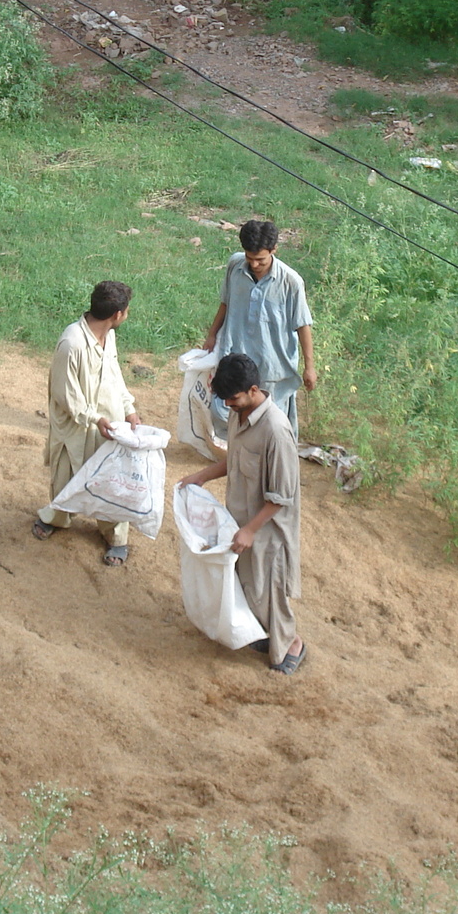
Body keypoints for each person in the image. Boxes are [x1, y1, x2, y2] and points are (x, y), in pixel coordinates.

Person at [179, 353, 306, 674]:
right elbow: (234, 458)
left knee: (269, 590)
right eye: (224, 400)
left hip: (267, 530)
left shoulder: (276, 432)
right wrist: (201, 476)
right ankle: (265, 633)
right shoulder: (239, 414)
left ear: (252, 389)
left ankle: (291, 644)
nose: (228, 406)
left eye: (232, 399)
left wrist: (251, 530)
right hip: (241, 520)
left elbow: (281, 496)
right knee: (247, 584)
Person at [33, 280, 142, 566]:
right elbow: (65, 394)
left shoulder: (108, 336)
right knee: (66, 480)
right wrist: (94, 419)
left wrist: (129, 409)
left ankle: (116, 537)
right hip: (77, 426)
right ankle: (56, 517)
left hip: (110, 424)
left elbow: (114, 375)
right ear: (117, 314)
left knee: (111, 483)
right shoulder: (72, 344)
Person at [202, 220, 317, 441]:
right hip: (237, 358)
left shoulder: (291, 282)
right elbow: (225, 303)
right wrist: (212, 334)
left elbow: (303, 325)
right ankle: (234, 455)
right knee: (226, 409)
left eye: (260, 260)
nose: (254, 264)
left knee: (272, 422)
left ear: (274, 250)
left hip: (273, 364)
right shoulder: (235, 267)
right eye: (250, 258)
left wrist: (309, 367)